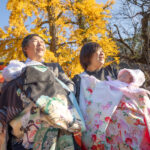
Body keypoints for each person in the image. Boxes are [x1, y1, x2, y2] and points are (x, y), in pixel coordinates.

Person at [0, 34, 84, 150]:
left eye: (43, 42)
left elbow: (69, 84)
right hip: (26, 127)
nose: (41, 44)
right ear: (25, 48)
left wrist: (58, 96)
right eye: (35, 41)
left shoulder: (54, 67)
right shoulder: (16, 69)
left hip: (58, 121)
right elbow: (7, 94)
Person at [73, 42, 150, 149]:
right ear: (87, 55)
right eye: (98, 51)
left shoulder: (111, 71)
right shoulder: (79, 79)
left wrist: (130, 77)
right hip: (97, 119)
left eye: (103, 51)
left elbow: (130, 83)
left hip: (121, 111)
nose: (102, 53)